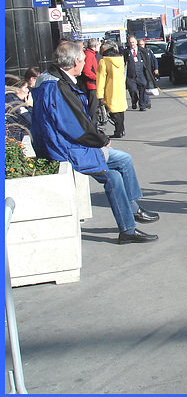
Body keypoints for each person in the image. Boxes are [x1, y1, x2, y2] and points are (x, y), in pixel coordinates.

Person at [30, 41, 160, 245]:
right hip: (66, 148)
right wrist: (101, 140)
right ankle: (127, 228)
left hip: (65, 144)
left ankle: (133, 210)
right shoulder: (57, 87)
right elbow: (75, 127)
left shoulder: (50, 81)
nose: (85, 64)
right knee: (114, 176)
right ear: (75, 61)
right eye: (82, 60)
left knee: (123, 161)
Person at [97, 40, 127, 138]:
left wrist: (99, 95)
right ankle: (121, 129)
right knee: (120, 110)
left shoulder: (104, 61)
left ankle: (118, 131)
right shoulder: (120, 59)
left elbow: (101, 79)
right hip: (120, 88)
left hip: (110, 89)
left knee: (112, 110)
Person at [123, 36, 155, 111]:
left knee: (142, 90)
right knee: (133, 90)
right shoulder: (126, 52)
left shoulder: (142, 51)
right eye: (130, 42)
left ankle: (142, 106)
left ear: (136, 42)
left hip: (141, 75)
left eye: (133, 42)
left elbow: (148, 62)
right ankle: (134, 100)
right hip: (131, 76)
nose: (132, 44)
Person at [5, 74, 32, 141]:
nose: (27, 90)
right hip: (17, 139)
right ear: (17, 90)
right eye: (25, 87)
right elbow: (31, 120)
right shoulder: (14, 103)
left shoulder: (11, 100)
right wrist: (30, 106)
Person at [79, 38, 100, 123]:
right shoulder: (89, 55)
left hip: (93, 84)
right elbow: (87, 71)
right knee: (93, 108)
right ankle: (93, 126)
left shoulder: (91, 54)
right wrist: (97, 77)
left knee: (94, 107)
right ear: (95, 46)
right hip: (92, 85)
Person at [137, 39, 159, 108]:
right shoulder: (137, 52)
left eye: (142, 45)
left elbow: (154, 60)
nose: (141, 46)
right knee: (142, 87)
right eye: (140, 45)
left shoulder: (148, 51)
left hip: (148, 72)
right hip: (140, 72)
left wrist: (156, 68)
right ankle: (146, 101)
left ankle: (146, 100)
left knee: (147, 86)